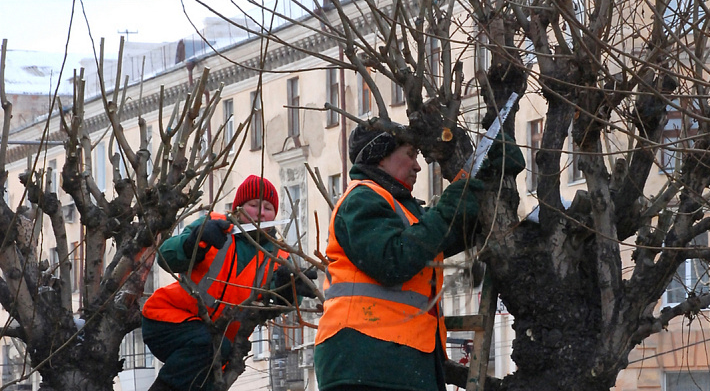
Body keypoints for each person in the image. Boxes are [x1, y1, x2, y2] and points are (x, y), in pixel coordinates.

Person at [314, 124, 519, 391]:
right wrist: (448, 210)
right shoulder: (361, 199)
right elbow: (393, 260)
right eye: (410, 154)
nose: (418, 166)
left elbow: (438, 239)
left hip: (393, 359)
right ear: (380, 157)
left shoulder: (403, 210)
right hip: (368, 358)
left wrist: (493, 180)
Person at [142, 174, 315, 391]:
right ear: (238, 208)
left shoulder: (279, 257)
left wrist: (289, 290)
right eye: (254, 205)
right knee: (210, 346)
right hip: (168, 319)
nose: (261, 212)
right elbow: (165, 256)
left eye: (268, 208)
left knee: (209, 378)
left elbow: (279, 304)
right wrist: (195, 242)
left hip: (217, 346)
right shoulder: (213, 227)